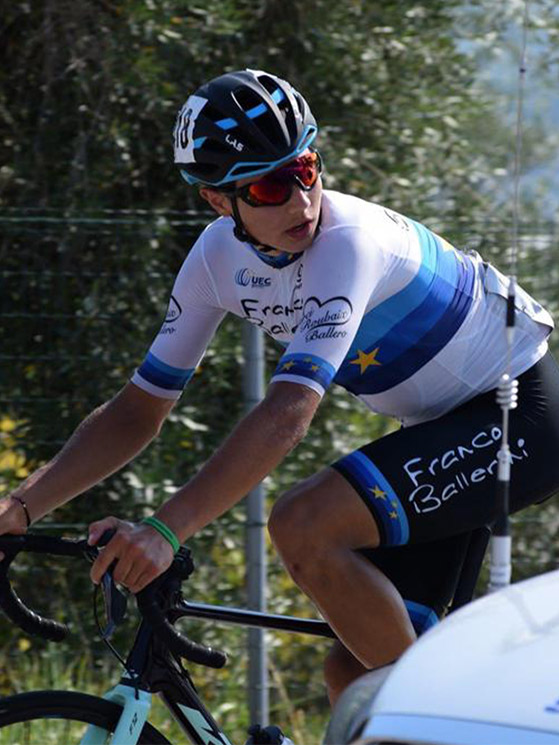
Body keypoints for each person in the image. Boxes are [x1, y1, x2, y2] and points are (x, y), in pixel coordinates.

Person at [1, 69, 558, 707]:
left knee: (304, 523)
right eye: (270, 186)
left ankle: (447, 718)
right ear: (218, 201)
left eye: (305, 169)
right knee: (353, 679)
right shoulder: (215, 261)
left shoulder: (349, 242)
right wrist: (20, 506)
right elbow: (137, 410)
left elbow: (290, 411)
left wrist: (165, 530)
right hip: (441, 427)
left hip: (522, 413)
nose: (300, 201)